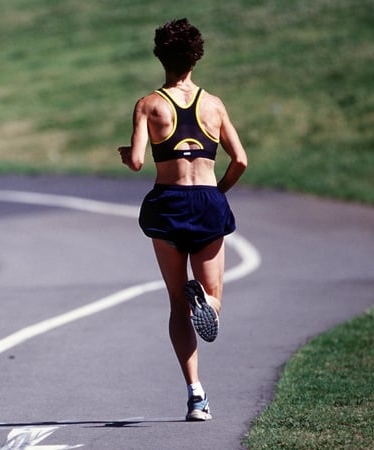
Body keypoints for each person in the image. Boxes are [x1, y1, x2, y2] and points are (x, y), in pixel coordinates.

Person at [118, 18, 248, 421]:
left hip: (168, 203)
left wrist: (126, 155)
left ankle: (195, 395)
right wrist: (217, 193)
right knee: (215, 300)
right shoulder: (214, 105)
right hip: (208, 201)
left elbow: (139, 161)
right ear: (197, 57)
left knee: (176, 304)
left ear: (161, 57)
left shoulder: (149, 104)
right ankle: (205, 300)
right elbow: (241, 160)